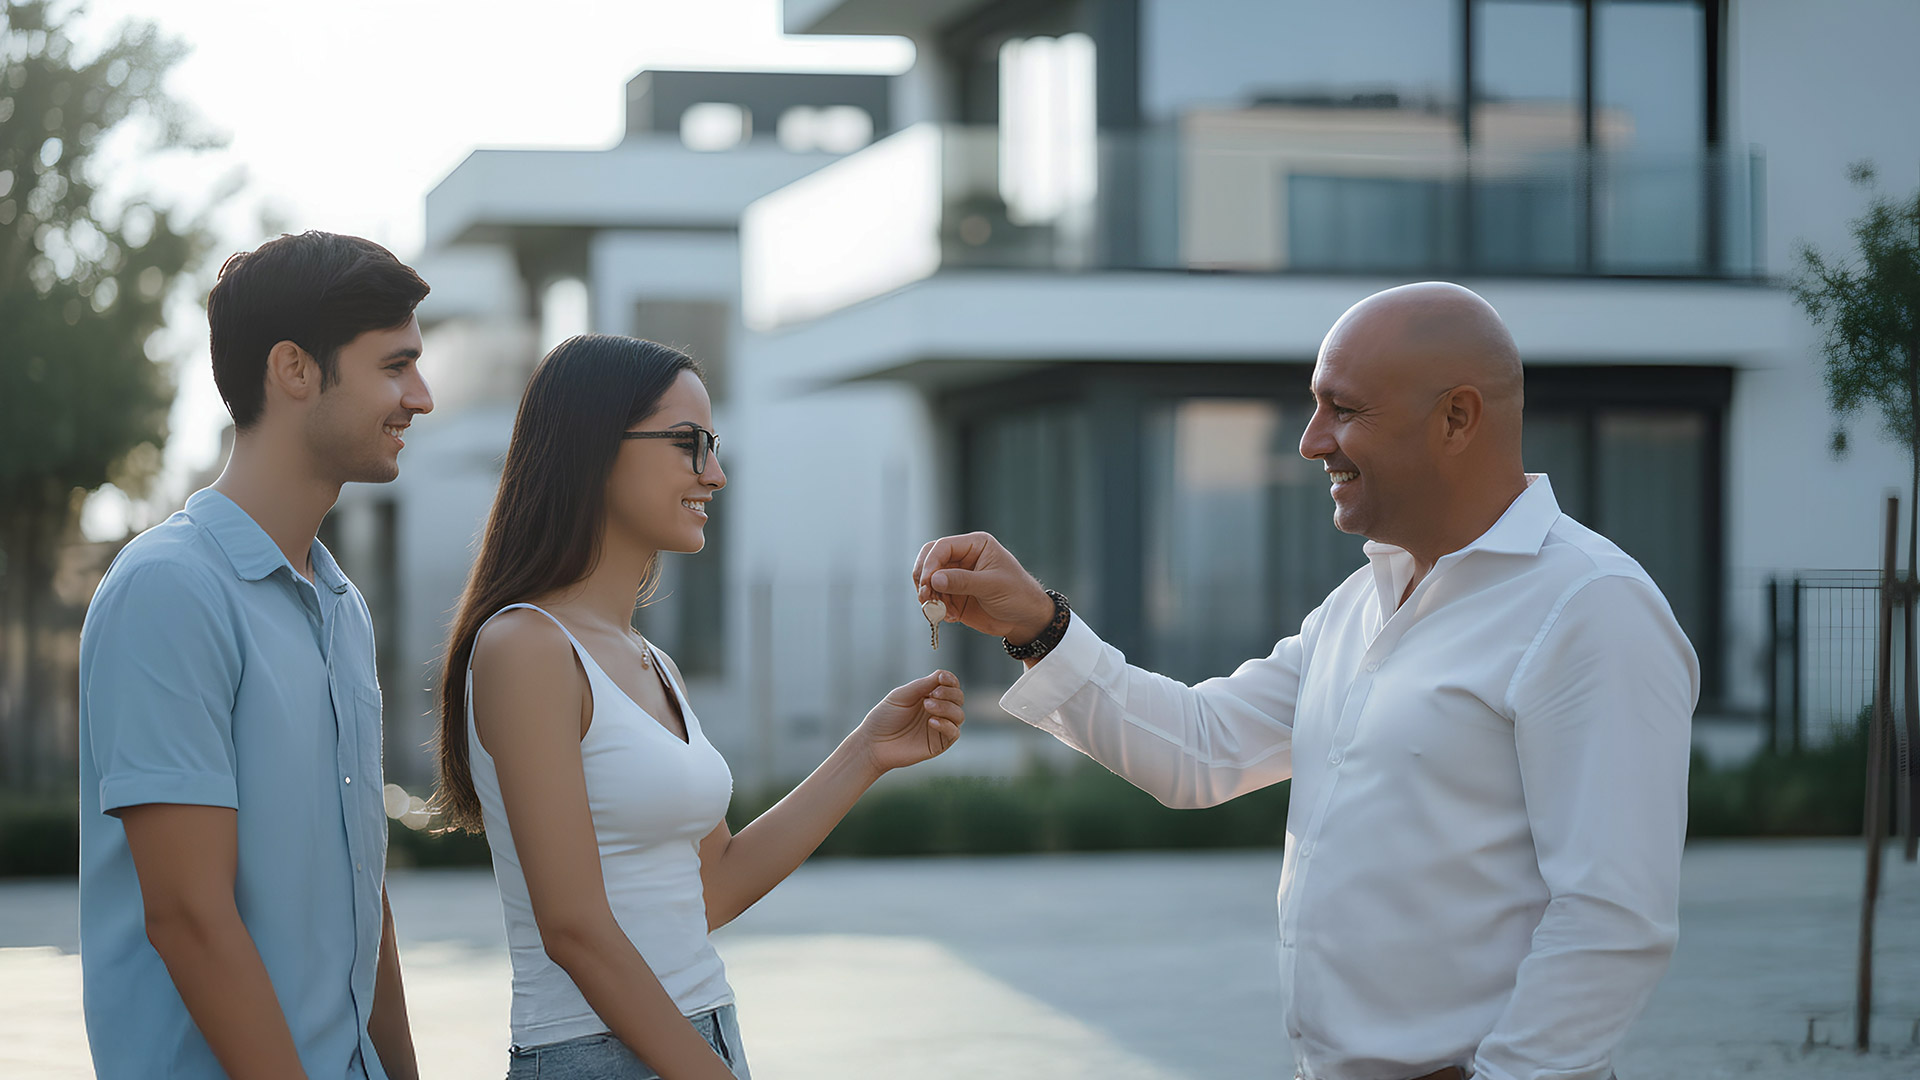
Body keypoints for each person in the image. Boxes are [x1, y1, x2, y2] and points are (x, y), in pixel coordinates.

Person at [914, 282, 1697, 1080]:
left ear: (1458, 418)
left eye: (1344, 409)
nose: (1311, 441)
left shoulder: (1591, 607)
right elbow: (1200, 748)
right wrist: (1035, 624)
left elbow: (1612, 919)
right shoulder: (1364, 601)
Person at [431, 334, 966, 1080]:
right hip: (596, 1055)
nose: (714, 473)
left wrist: (866, 752)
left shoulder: (652, 663)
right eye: (689, 444)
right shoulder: (526, 647)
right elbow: (574, 928)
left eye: (711, 446)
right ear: (595, 448)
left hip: (703, 1031)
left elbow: (711, 886)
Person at [78, 231, 433, 1079]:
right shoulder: (170, 590)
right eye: (394, 365)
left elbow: (362, 898)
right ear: (294, 369)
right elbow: (188, 918)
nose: (420, 396)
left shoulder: (341, 608)